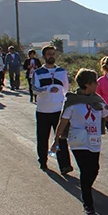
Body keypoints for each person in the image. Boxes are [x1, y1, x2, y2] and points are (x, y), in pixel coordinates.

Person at [54, 69, 108, 215]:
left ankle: (86, 189)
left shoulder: (97, 101)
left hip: (94, 140)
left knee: (94, 169)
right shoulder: (72, 102)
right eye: (94, 82)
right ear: (88, 84)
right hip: (78, 141)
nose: (96, 85)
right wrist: (56, 140)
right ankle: (88, 202)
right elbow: (62, 122)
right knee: (85, 169)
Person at [33, 45, 73, 173]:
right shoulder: (38, 73)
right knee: (43, 138)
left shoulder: (62, 71)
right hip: (43, 110)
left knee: (61, 137)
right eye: (49, 54)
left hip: (58, 110)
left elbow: (66, 89)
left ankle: (65, 165)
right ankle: (43, 161)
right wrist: (48, 89)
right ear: (44, 56)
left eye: (53, 54)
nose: (51, 56)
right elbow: (35, 89)